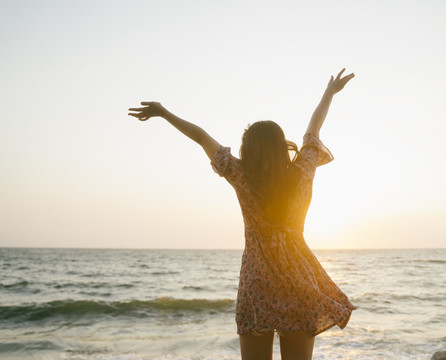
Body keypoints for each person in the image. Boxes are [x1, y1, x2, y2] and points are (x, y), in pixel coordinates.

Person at [128, 68, 356, 360]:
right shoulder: (302, 172)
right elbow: (313, 129)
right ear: (279, 146)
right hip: (299, 278)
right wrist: (328, 93)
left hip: (256, 282)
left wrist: (163, 112)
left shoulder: (242, 175)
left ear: (249, 149)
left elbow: (201, 137)